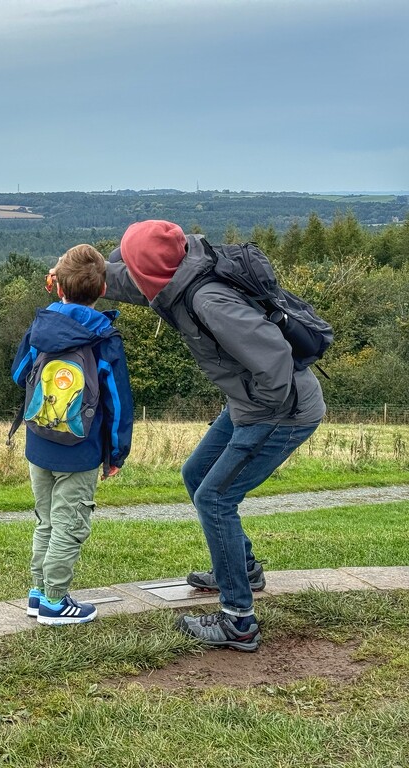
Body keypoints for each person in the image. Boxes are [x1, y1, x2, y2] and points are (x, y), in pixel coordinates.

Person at [104, 219, 325, 651]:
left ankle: (238, 620)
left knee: (215, 497)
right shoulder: (183, 271)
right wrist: (82, 276)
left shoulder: (209, 300)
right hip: (253, 404)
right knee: (196, 474)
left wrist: (257, 415)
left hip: (281, 410)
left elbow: (276, 358)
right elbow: (135, 281)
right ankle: (243, 568)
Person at [12, 244, 133, 626]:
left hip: (39, 442)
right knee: (70, 524)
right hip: (81, 451)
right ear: (102, 291)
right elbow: (117, 404)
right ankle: (54, 601)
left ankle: (37, 592)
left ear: (58, 287)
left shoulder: (41, 326)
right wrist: (116, 455)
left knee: (46, 520)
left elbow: (19, 376)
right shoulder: (103, 338)